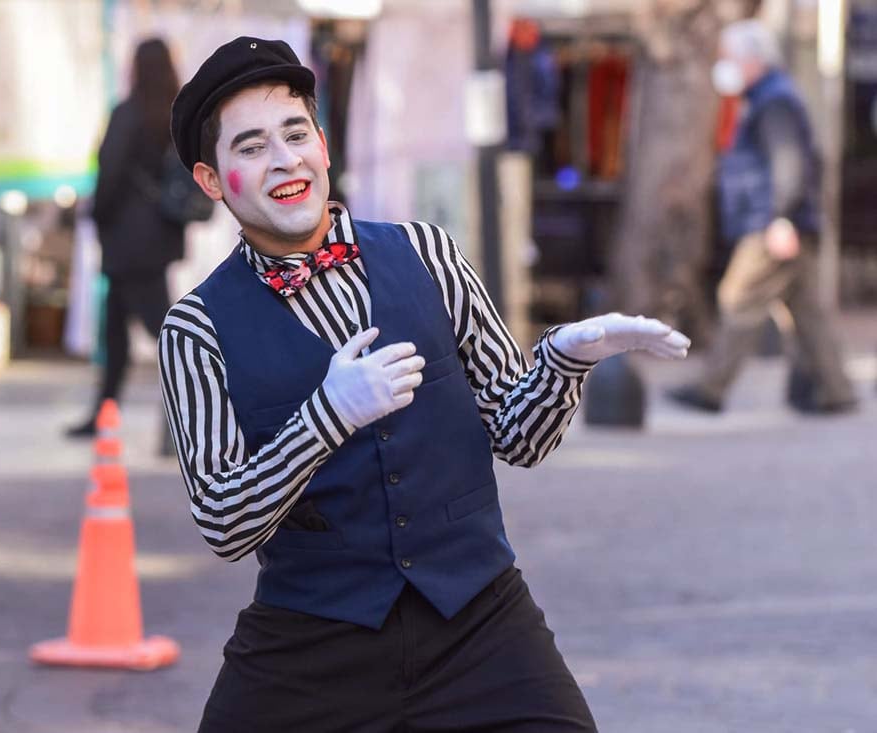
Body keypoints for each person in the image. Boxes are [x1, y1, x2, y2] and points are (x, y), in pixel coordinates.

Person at [160, 37, 690, 732]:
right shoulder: (196, 327)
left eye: (295, 133)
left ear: (323, 142)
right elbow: (223, 522)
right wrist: (326, 416)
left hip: (478, 620)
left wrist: (564, 359)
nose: (284, 160)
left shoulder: (429, 253)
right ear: (210, 179)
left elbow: (518, 437)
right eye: (251, 147)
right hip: (313, 642)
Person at [669, 19, 856, 414]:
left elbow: (789, 163)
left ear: (752, 59)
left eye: (730, 58)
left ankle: (711, 388)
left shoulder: (775, 101)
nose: (725, 65)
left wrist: (780, 218)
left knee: (737, 298)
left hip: (773, 223)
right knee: (807, 311)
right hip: (781, 220)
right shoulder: (767, 97)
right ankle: (836, 390)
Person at [65, 38, 186, 438]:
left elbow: (110, 175)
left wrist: (95, 214)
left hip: (128, 239)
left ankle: (197, 410)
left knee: (168, 334)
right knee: (116, 329)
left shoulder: (128, 113)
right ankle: (104, 412)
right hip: (160, 234)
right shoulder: (176, 116)